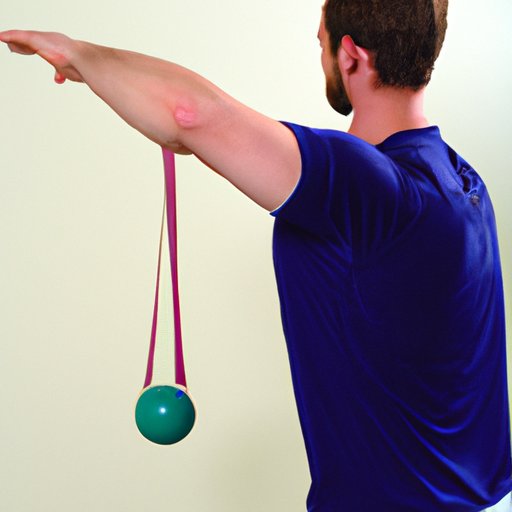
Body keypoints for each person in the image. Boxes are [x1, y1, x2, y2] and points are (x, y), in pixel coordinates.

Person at [1, 0, 511, 510]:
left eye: (321, 42)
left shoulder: (368, 188)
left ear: (350, 55)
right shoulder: (460, 181)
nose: (320, 51)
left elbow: (189, 115)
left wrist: (77, 53)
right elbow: (210, 133)